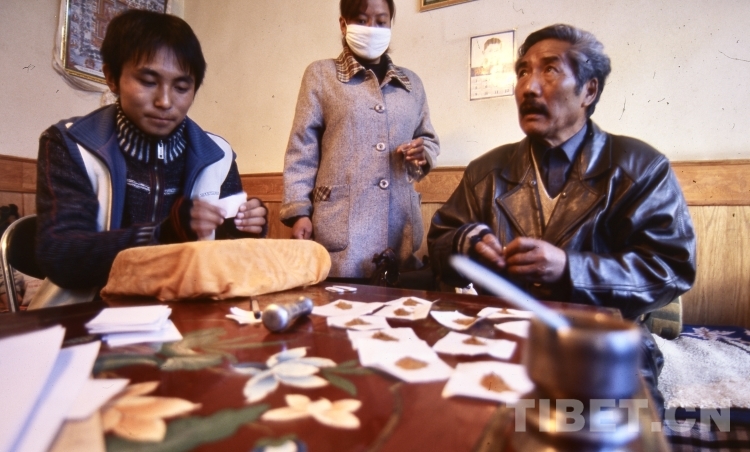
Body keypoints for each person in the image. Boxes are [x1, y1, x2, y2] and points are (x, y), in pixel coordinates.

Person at [428, 24, 696, 415]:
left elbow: (671, 269)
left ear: (589, 90)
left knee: (612, 433)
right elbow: (440, 242)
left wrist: (571, 269)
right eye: (522, 72)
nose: (528, 87)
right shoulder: (486, 171)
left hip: (602, 344)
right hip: (502, 335)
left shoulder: (640, 167)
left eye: (550, 70)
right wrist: (465, 242)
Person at [33, 10, 267, 308]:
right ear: (112, 78)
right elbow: (60, 255)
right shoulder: (70, 144)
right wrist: (162, 235)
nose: (165, 101)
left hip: (184, 315)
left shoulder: (217, 155)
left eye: (181, 87)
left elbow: (229, 261)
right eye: (147, 81)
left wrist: (241, 229)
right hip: (86, 316)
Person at [280, 0, 440, 280]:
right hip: (341, 234)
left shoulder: (412, 84)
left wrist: (422, 151)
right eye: (362, 20)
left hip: (399, 230)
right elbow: (301, 149)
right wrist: (299, 212)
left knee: (397, 304)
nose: (372, 28)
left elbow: (428, 139)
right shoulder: (321, 75)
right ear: (344, 24)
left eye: (381, 21)